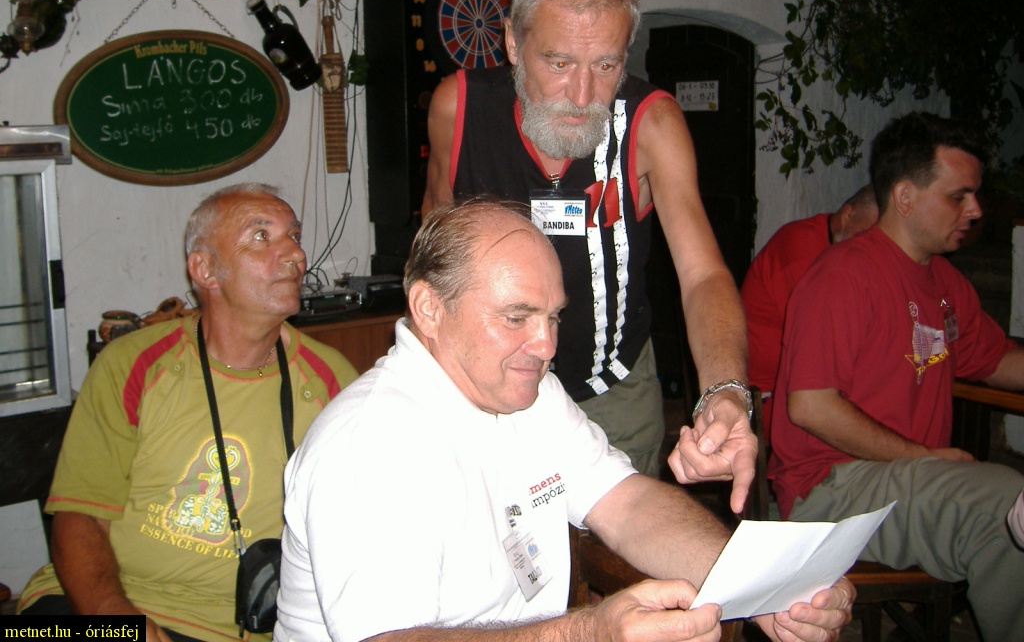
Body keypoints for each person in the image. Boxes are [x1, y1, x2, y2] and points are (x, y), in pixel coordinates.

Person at [275, 198, 854, 642]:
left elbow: (627, 505)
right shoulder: (372, 441)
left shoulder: (528, 392)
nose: (546, 345)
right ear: (430, 308)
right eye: (516, 317)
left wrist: (769, 585)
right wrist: (590, 632)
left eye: (553, 317)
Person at [422, 0, 754, 509]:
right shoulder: (459, 109)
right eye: (558, 63)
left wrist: (725, 391)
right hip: (484, 389)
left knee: (620, 544)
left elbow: (702, 274)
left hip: (611, 388)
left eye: (606, 65)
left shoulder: (651, 125)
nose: (582, 95)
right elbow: (431, 260)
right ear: (512, 42)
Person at [17, 183, 359, 642]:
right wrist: (115, 617)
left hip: (237, 628)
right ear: (205, 270)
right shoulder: (132, 364)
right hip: (94, 606)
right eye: (261, 236)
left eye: (294, 236)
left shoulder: (332, 381)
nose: (296, 254)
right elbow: (79, 515)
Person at [767, 113, 1024, 641]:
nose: (976, 210)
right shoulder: (843, 275)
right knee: (1002, 506)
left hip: (908, 481)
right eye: (958, 196)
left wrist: (925, 464)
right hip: (832, 489)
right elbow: (810, 406)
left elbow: (996, 360)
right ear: (905, 197)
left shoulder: (945, 281)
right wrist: (924, 457)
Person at [740, 185, 878, 441]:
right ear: (848, 215)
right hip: (771, 399)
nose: (873, 246)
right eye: (869, 233)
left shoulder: (855, 261)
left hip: (812, 392)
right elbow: (822, 351)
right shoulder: (800, 251)